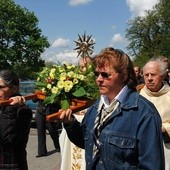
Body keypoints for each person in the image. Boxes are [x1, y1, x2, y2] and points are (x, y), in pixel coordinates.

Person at [59, 47, 165, 169]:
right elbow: (87, 143)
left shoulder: (144, 113)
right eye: (97, 74)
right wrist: (71, 123)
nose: (99, 79)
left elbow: (152, 166)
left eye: (105, 75)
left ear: (124, 75)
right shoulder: (96, 107)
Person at [140, 57, 170, 170]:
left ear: (162, 76)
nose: (149, 78)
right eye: (146, 75)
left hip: (166, 148)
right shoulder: (137, 95)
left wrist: (164, 128)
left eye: (153, 75)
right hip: (142, 149)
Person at [0, 70, 32, 170]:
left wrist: (10, 108)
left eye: (1, 87)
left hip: (11, 165)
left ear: (14, 88)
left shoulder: (23, 110)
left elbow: (8, 140)